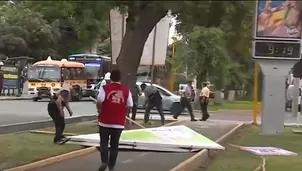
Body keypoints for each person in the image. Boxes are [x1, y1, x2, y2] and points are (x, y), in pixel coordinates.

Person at [96, 69, 133, 171]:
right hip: (119, 122)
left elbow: (100, 101)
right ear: (120, 78)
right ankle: (111, 167)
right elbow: (130, 104)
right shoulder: (126, 90)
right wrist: (124, 112)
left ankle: (104, 161)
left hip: (104, 120)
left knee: (103, 143)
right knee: (114, 145)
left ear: (110, 78)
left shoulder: (105, 88)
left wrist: (99, 109)